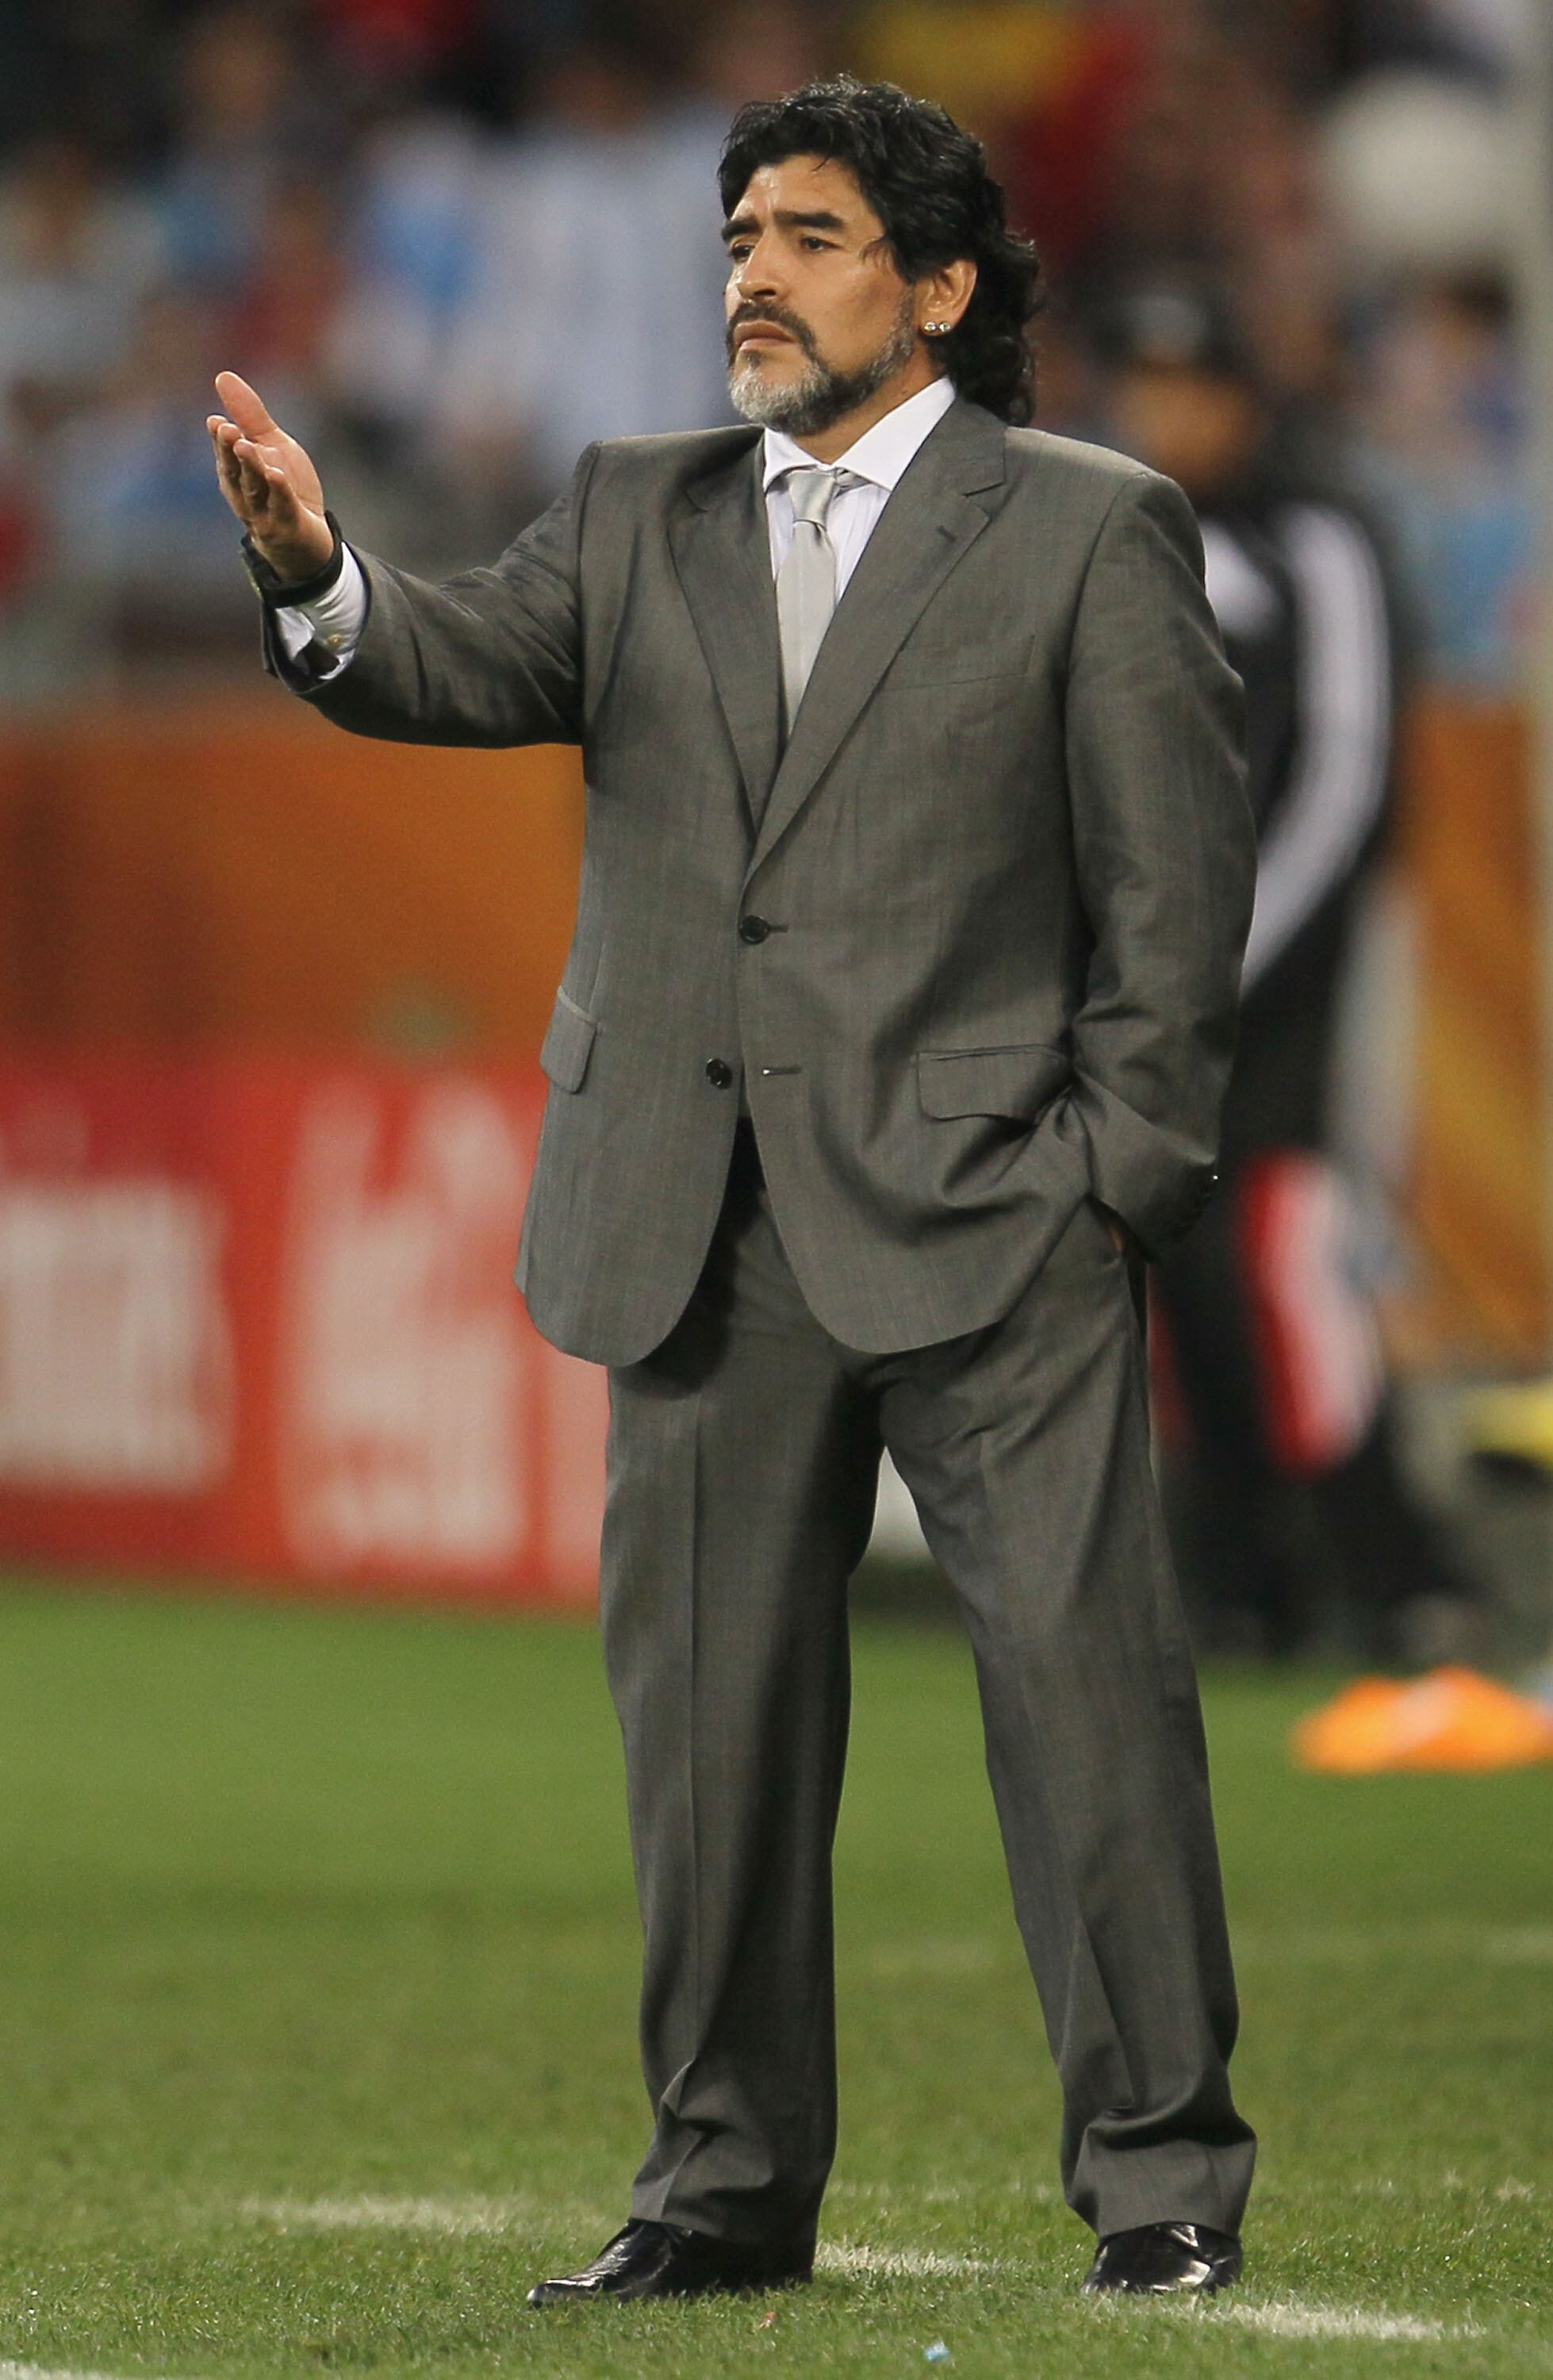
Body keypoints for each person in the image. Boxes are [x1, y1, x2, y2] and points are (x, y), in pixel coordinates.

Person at [208, 77, 1257, 2303]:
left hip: (997, 1221)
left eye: (805, 237)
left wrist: (1109, 1189)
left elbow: (1173, 917)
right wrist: (318, 575)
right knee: (707, 1745)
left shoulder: (1084, 528)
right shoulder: (631, 508)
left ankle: (1159, 2181)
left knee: (1085, 1717)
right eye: (735, 239)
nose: (750, 278)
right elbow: (448, 662)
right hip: (690, 1217)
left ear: (940, 288)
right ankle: (719, 2186)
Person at [1100, 281, 1482, 1665]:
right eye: (1141, 385)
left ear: (1245, 402)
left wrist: (1215, 957)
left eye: (1188, 387)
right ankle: (1240, 1575)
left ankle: (1398, 1571)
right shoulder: (1118, 530)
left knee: (1288, 1253)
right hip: (1152, 981)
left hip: (1292, 970)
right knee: (1171, 1259)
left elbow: (1344, 774)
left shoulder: (1317, 536)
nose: (1161, 414)